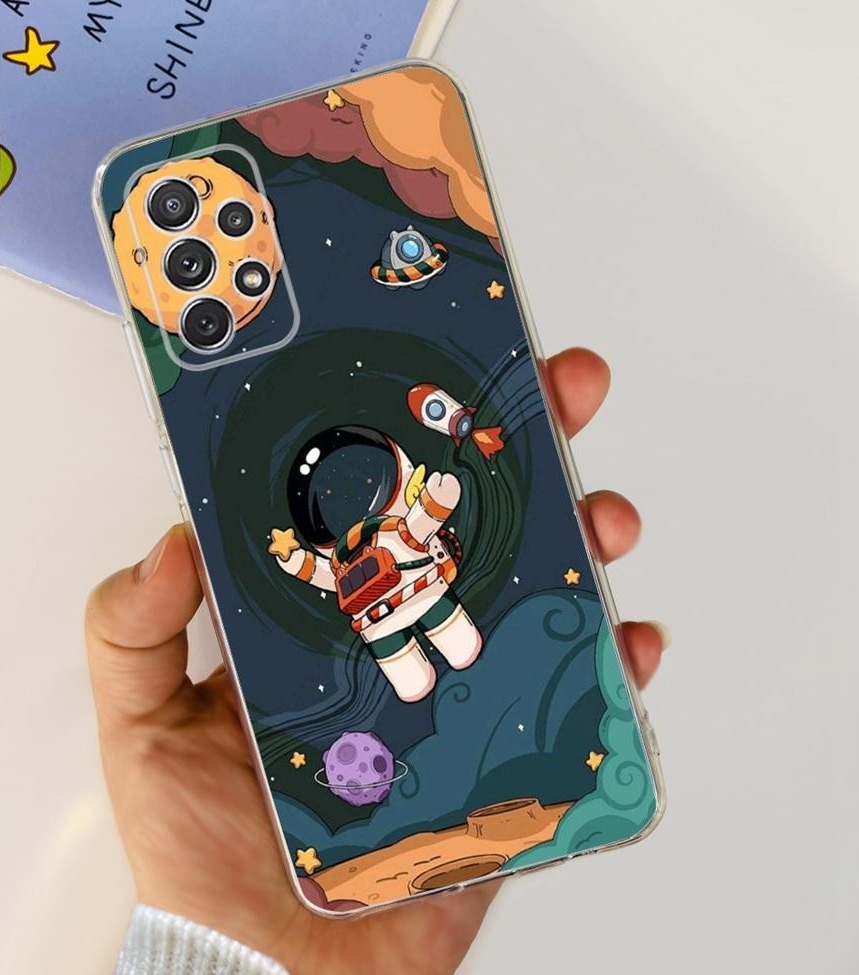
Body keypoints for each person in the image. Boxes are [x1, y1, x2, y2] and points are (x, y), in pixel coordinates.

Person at [85, 348, 671, 975]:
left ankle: (444, 652)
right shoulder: (350, 553)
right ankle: (430, 663)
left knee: (456, 641)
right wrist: (301, 558)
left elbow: (420, 517)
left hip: (414, 600)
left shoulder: (386, 533)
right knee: (420, 667)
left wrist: (427, 504)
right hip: (387, 618)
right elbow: (341, 559)